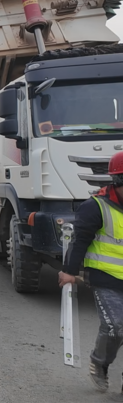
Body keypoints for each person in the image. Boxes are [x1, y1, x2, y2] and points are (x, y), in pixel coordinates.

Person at [59, 150, 123, 394]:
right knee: (115, 326)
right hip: (106, 279)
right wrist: (69, 272)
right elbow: (80, 242)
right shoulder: (95, 207)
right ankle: (100, 362)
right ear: (118, 181)